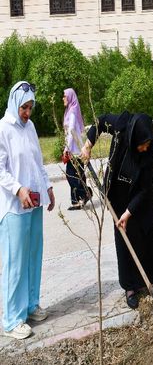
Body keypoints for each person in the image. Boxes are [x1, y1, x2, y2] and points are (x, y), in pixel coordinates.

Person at [81, 111, 153, 309]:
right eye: (141, 144)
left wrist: (129, 213)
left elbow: (146, 187)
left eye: (147, 143)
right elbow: (102, 121)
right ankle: (131, 287)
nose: (145, 147)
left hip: (142, 195)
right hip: (118, 194)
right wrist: (88, 145)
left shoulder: (151, 150)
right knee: (125, 239)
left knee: (149, 234)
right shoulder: (122, 125)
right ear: (132, 138)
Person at [0, 81, 55, 339]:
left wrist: (48, 188)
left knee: (34, 256)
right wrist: (18, 189)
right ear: (14, 103)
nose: (27, 112)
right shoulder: (3, 129)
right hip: (14, 206)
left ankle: (31, 306)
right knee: (15, 262)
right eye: (24, 107)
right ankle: (12, 319)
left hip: (34, 203)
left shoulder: (30, 127)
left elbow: (37, 162)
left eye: (31, 107)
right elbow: (1, 170)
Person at [63, 88, 90, 210]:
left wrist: (66, 148)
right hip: (74, 148)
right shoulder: (69, 110)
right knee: (77, 173)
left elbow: (71, 130)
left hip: (74, 149)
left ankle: (84, 194)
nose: (63, 98)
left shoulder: (72, 111)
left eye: (64, 96)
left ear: (69, 97)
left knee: (71, 174)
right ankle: (76, 200)